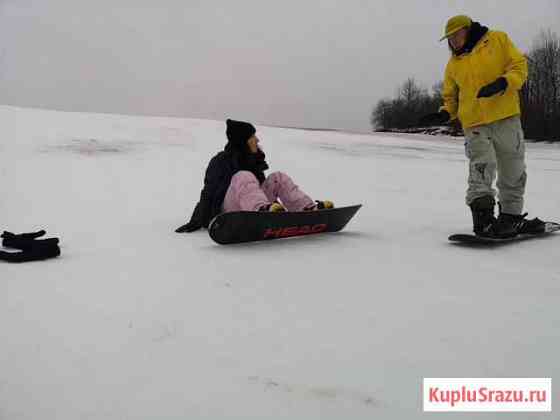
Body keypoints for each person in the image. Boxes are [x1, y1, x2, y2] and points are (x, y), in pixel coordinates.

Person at [420, 15, 544, 238]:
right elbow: (451, 99)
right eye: (450, 38)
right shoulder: (453, 65)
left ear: (468, 30)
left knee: (513, 169)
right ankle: (484, 220)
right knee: (481, 168)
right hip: (475, 123)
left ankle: (511, 217)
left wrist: (504, 82)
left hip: (506, 116)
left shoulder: (497, 40)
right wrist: (444, 114)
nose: (453, 41)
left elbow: (519, 65)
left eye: (456, 35)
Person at [175, 119, 333, 233]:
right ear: (243, 140)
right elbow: (208, 192)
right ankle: (262, 212)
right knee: (243, 176)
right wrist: (196, 221)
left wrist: (277, 212)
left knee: (278, 177)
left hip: (254, 206)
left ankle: (306, 209)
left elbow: (256, 190)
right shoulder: (220, 161)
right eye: (252, 136)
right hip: (228, 212)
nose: (257, 140)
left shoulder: (253, 159)